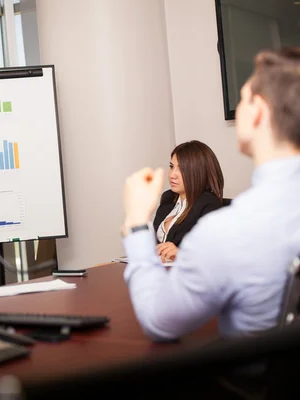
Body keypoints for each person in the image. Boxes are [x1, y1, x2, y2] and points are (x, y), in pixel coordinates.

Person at [121, 47, 300, 342]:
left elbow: (159, 321)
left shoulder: (230, 231)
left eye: (242, 99)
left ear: (258, 113)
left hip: (248, 385)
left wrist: (137, 222)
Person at [153, 140, 224, 262]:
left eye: (181, 169)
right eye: (171, 167)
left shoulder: (209, 205)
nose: (172, 175)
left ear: (198, 172)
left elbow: (215, 256)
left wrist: (181, 255)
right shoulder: (168, 198)